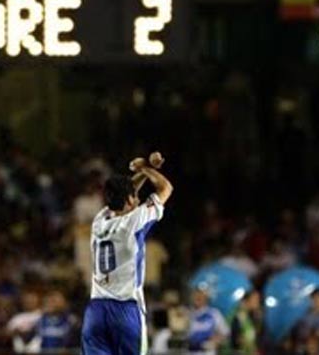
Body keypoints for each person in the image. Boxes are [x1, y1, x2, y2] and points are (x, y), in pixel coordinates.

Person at [81, 151, 174, 355]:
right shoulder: (133, 222)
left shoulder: (99, 220)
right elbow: (166, 188)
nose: (138, 200)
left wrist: (142, 170)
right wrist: (147, 168)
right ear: (131, 200)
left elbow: (124, 193)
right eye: (136, 197)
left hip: (96, 311)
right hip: (125, 310)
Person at [187, 287, 230, 355]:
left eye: (201, 295)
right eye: (196, 295)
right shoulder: (187, 313)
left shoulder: (214, 313)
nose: (198, 297)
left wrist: (216, 340)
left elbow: (225, 333)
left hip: (207, 352)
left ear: (206, 298)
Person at [229, 290, 262, 355]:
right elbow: (236, 339)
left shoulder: (250, 316)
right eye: (255, 299)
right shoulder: (238, 316)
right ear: (246, 300)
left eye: (258, 299)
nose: (258, 302)